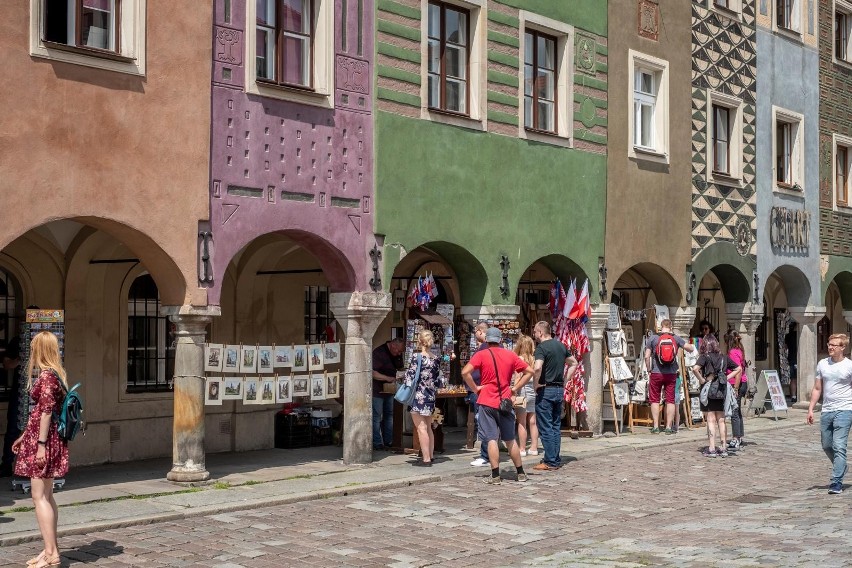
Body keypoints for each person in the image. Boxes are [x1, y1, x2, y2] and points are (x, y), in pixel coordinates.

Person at [11, 331, 70, 568]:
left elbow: (45, 412)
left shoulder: (46, 376)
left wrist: (40, 446)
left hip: (44, 441)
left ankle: (50, 553)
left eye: (34, 346)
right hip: (45, 438)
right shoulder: (56, 374)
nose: (31, 350)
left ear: (41, 349)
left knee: (39, 496)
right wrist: (25, 435)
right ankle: (50, 550)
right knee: (47, 496)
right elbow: (41, 412)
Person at [462, 327, 533, 484]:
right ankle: (520, 473)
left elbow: (465, 372)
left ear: (487, 340)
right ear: (500, 339)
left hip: (487, 400)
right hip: (505, 401)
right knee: (510, 439)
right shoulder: (510, 355)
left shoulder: (481, 354)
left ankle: (495, 475)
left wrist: (475, 388)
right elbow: (530, 371)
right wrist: (514, 388)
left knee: (492, 439)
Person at [807, 333, 852, 494]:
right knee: (827, 445)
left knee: (839, 445)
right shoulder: (823, 364)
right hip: (827, 410)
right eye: (829, 344)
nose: (830, 347)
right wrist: (811, 408)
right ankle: (842, 466)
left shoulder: (849, 366)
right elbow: (818, 388)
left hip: (845, 409)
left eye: (834, 345)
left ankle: (836, 482)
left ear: (843, 347)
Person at [531, 321, 578, 471]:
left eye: (535, 332)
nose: (534, 335)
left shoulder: (541, 348)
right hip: (558, 389)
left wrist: (535, 383)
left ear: (541, 332)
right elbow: (574, 363)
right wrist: (565, 380)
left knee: (545, 426)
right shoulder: (560, 346)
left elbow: (537, 367)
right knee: (555, 426)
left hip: (546, 389)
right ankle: (554, 458)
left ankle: (550, 461)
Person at [403, 330, 446, 467]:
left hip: (418, 396)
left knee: (421, 428)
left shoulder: (417, 357)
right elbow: (439, 380)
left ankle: (426, 459)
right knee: (428, 427)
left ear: (419, 341)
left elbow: (409, 377)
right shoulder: (436, 358)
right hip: (430, 395)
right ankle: (431, 456)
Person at [644, 319, 695, 434]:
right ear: (670, 327)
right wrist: (689, 346)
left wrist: (649, 370)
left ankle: (656, 426)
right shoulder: (675, 338)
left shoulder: (653, 338)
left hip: (656, 373)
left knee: (655, 399)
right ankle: (668, 427)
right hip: (671, 373)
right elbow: (690, 348)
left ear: (660, 326)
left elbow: (647, 356)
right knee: (670, 400)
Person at [693, 334, 739, 458]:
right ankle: (723, 448)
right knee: (722, 420)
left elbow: (695, 369)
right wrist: (726, 378)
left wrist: (702, 380)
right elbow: (738, 368)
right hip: (721, 390)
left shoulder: (704, 357)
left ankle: (712, 448)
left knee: (711, 420)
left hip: (709, 391)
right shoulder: (724, 357)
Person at [371, 337, 404, 451]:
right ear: (393, 345)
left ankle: (389, 441)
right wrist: (387, 378)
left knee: (389, 415)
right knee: (376, 416)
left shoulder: (397, 355)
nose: (399, 353)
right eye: (398, 351)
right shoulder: (379, 353)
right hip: (377, 390)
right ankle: (377, 442)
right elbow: (373, 373)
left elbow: (399, 368)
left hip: (390, 390)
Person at [466, 322, 491, 467]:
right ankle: (489, 453)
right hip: (492, 391)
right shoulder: (500, 350)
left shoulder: (483, 351)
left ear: (481, 332)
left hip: (482, 391)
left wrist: (474, 388)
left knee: (484, 422)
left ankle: (485, 455)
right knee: (490, 424)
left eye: (476, 331)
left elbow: (467, 372)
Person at [512, 334, 539, 456]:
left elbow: (518, 376)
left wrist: (514, 390)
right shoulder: (534, 359)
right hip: (532, 391)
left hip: (522, 391)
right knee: (532, 422)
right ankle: (534, 448)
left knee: (522, 422)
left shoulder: (519, 359)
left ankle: (522, 448)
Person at [1, 336, 22, 477]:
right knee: (13, 429)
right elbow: (7, 364)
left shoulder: (47, 339)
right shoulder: (18, 340)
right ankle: (7, 464)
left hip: (41, 392)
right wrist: (21, 360)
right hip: (20, 392)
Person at [725, 331, 747, 450]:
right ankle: (740, 436)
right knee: (738, 411)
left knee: (734, 411)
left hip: (736, 383)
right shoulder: (740, 350)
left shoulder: (733, 352)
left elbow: (738, 371)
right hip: (743, 382)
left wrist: (736, 388)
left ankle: (736, 438)